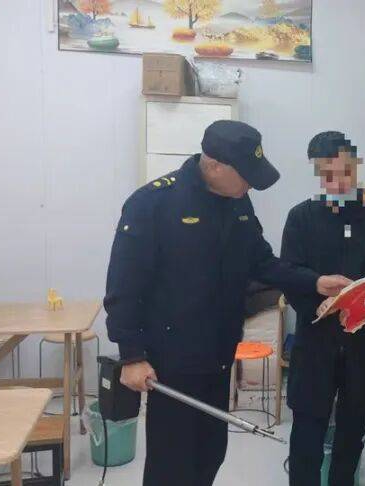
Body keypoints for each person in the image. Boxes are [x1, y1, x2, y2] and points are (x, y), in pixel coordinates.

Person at [104, 120, 351, 486]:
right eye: (246, 175)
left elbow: (261, 261)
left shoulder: (238, 202)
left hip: (219, 354)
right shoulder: (152, 204)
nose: (250, 184)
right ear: (214, 165)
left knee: (210, 453)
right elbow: (124, 286)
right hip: (173, 361)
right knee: (172, 465)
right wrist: (131, 356)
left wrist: (314, 281)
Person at [280, 131, 365, 486]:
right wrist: (319, 297)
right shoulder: (302, 217)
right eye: (328, 174)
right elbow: (289, 273)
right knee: (307, 431)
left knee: (352, 431)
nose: (338, 182)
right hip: (317, 339)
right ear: (317, 172)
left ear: (356, 163)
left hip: (364, 341)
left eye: (345, 172)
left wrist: (361, 301)